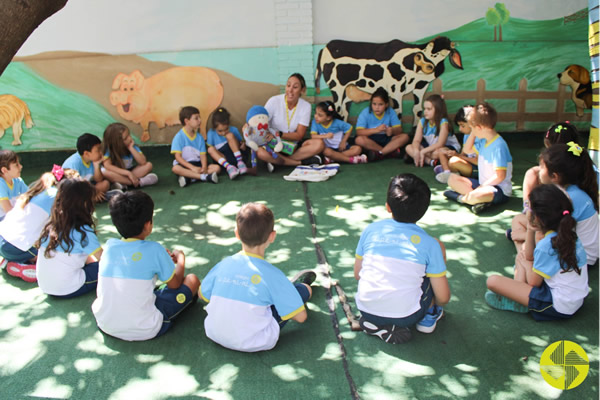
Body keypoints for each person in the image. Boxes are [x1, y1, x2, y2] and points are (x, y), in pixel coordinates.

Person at [200, 203, 316, 352]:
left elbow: (203, 294)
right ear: (272, 236)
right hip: (257, 341)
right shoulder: (272, 274)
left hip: (214, 333)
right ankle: (294, 290)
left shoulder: (223, 264)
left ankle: (279, 295)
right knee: (303, 290)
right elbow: (301, 317)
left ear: (236, 233)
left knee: (266, 297)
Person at [354, 174, 450, 344]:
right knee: (431, 269)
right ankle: (428, 314)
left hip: (365, 308)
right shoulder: (431, 245)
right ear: (424, 210)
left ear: (388, 207)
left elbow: (357, 274)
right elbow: (443, 297)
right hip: (407, 316)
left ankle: (378, 323)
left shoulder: (371, 230)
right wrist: (436, 301)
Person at [92, 191, 200, 341]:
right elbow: (175, 284)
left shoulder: (109, 247)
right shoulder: (155, 249)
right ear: (148, 224)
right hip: (146, 328)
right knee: (192, 280)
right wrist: (181, 259)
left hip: (105, 323)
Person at [486, 184, 589, 320]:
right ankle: (518, 295)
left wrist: (526, 263)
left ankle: (519, 301)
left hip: (557, 305)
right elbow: (529, 256)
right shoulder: (567, 234)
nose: (526, 210)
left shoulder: (547, 245)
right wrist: (530, 229)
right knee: (522, 259)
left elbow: (534, 282)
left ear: (538, 218)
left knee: (492, 281)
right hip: (573, 300)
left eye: (528, 207)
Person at [510, 143, 598, 265]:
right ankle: (523, 253)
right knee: (518, 220)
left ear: (555, 177)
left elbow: (547, 233)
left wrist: (524, 235)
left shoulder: (568, 198)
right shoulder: (570, 190)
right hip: (576, 246)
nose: (538, 170)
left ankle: (524, 257)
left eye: (541, 167)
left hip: (579, 258)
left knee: (531, 240)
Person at [0, 168, 79, 282]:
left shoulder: (43, 190)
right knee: (59, 260)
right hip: (12, 245)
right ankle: (24, 267)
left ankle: (12, 260)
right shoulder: (56, 197)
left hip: (3, 240)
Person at [36, 178, 102, 298]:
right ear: (85, 203)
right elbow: (104, 260)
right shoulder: (83, 230)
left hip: (45, 286)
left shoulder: (52, 223)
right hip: (67, 288)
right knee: (106, 268)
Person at [443, 102, 512, 214]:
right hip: (482, 184)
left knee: (475, 196)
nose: (471, 132)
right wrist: (474, 132)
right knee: (451, 179)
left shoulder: (498, 146)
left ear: (479, 127)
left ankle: (461, 198)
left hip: (498, 189)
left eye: (472, 129)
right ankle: (476, 201)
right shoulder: (484, 141)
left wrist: (482, 187)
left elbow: (500, 176)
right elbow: (467, 150)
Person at [260, 73, 324, 168]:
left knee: (319, 144)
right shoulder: (274, 101)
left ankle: (278, 161)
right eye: (288, 85)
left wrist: (279, 134)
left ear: (302, 90)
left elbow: (299, 135)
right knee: (260, 152)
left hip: (292, 147)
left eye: (295, 87)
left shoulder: (306, 106)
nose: (290, 90)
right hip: (273, 144)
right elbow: (261, 123)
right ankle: (299, 162)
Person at [405, 94, 460, 168]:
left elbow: (440, 144)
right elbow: (416, 140)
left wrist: (423, 151)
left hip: (445, 147)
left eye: (429, 109)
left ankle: (423, 158)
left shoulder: (444, 122)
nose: (425, 111)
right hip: (431, 147)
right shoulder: (422, 121)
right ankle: (430, 162)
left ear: (438, 110)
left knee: (439, 152)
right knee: (408, 147)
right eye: (425, 109)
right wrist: (416, 151)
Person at [355, 87, 409, 161]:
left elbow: (399, 130)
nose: (377, 107)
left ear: (386, 104)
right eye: (374, 104)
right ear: (371, 103)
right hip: (371, 140)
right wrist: (376, 130)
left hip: (387, 139)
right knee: (359, 140)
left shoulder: (390, 111)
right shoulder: (365, 112)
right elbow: (359, 132)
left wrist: (392, 130)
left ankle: (380, 154)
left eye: (380, 104)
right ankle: (389, 152)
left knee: (405, 137)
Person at [171, 106, 220, 187]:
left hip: (198, 164)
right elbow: (178, 157)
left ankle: (190, 178)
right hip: (185, 165)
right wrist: (192, 168)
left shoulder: (200, 137)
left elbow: (203, 155)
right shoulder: (179, 136)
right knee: (175, 169)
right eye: (196, 118)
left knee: (217, 168)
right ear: (187, 121)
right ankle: (204, 177)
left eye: (199, 118)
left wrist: (204, 167)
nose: (200, 120)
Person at [434, 105, 483, 184]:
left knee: (454, 161)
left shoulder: (481, 137)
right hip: (468, 163)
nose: (460, 129)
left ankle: (450, 173)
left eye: (462, 125)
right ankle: (447, 171)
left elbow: (478, 161)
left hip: (478, 169)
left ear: (472, 123)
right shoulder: (467, 135)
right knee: (442, 151)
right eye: (459, 125)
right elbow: (463, 154)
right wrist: (454, 154)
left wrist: (458, 156)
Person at [102, 123, 158, 189]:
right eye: (125, 138)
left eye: (129, 135)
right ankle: (138, 182)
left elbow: (143, 162)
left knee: (148, 165)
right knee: (105, 173)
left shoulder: (131, 146)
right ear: (116, 143)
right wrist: (128, 173)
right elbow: (107, 166)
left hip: (130, 172)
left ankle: (123, 184)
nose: (130, 138)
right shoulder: (109, 150)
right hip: (117, 173)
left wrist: (131, 148)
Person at [62, 133, 115, 202]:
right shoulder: (73, 164)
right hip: (73, 191)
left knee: (105, 184)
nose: (101, 152)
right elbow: (72, 188)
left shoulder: (92, 159)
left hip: (86, 188)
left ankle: (91, 199)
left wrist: (96, 166)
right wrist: (93, 192)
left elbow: (98, 180)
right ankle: (93, 199)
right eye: (98, 150)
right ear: (86, 153)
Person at [206, 107, 248, 179]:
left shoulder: (233, 130)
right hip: (224, 161)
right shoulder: (211, 133)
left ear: (229, 125)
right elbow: (212, 152)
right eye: (220, 131)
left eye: (226, 129)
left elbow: (241, 144)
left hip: (235, 156)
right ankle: (230, 168)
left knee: (229, 135)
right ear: (214, 128)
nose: (223, 133)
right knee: (210, 149)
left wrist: (243, 145)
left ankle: (240, 163)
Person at [0, 150, 27, 220]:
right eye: (16, 165)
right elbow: (8, 211)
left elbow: (30, 197)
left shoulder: (18, 181)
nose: (21, 166)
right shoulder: (1, 184)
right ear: (4, 170)